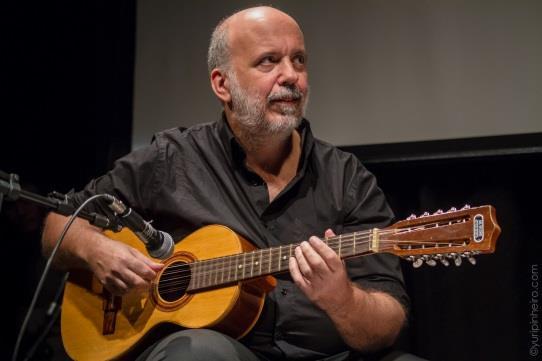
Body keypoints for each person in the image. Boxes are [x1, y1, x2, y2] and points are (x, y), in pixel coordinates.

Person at [42, 6, 421, 361]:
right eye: (269, 61)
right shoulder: (171, 158)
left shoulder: (348, 179)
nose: (291, 75)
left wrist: (342, 299)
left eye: (299, 60)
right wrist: (95, 249)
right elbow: (58, 225)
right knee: (199, 352)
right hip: (216, 352)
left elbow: (387, 323)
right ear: (222, 84)